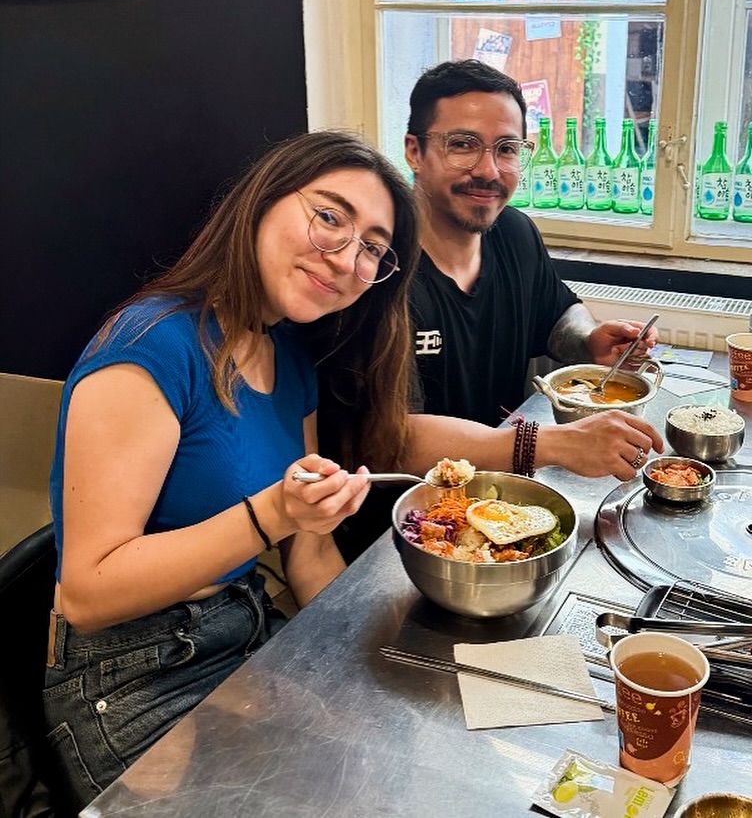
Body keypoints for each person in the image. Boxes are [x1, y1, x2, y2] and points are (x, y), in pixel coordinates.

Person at [43, 130, 419, 812]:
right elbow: (87, 592)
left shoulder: (289, 355)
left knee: (387, 770)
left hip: (239, 633)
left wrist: (385, 656)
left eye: (372, 248)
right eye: (329, 216)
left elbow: (308, 553)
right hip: (127, 677)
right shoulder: (150, 345)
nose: (344, 256)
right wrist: (270, 514)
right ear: (261, 201)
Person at [327, 60, 663, 562]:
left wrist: (592, 340)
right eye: (462, 144)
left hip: (500, 514)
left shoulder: (514, 233)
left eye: (507, 149)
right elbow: (394, 437)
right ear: (414, 151)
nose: (488, 170)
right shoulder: (378, 268)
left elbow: (556, 313)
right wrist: (550, 443)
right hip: (400, 531)